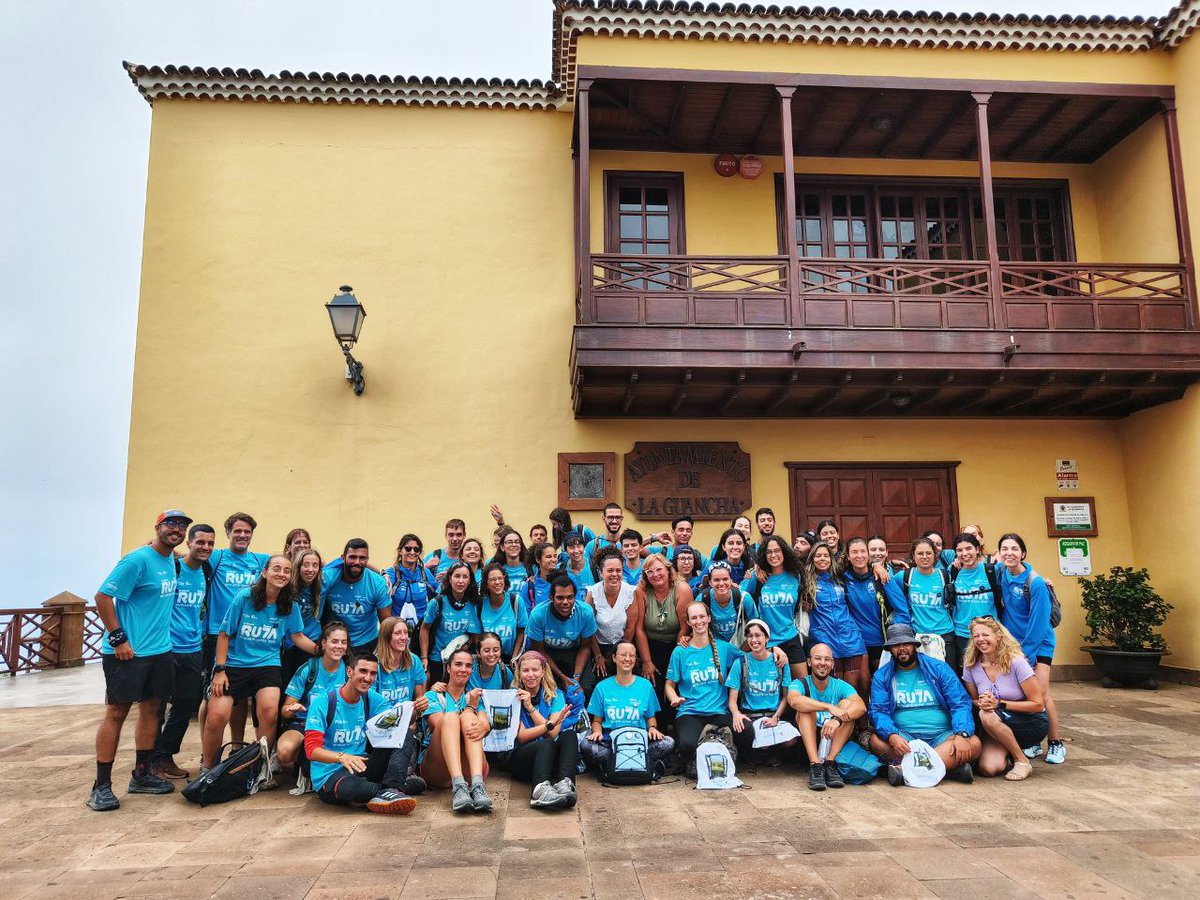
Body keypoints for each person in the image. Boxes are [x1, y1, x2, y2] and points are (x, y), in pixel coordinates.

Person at [88, 509, 189, 811]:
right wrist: (118, 638)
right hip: (127, 653)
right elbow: (103, 596)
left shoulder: (171, 560)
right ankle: (101, 785)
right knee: (116, 712)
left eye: (182, 526)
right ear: (158, 526)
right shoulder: (136, 560)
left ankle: (141, 775)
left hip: (159, 650)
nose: (176, 529)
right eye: (171, 524)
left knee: (152, 710)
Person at [202, 554, 318, 772]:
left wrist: (321, 650)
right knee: (217, 716)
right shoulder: (244, 597)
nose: (281, 574)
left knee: (269, 711)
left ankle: (261, 768)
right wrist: (220, 670)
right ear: (265, 572)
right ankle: (208, 770)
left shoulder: (288, 605)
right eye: (276, 568)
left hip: (267, 664)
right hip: (234, 665)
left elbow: (297, 636)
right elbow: (225, 634)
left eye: (286, 571)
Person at [305, 652, 420, 814]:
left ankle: (393, 789)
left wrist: (416, 710)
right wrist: (341, 757)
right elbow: (311, 751)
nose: (368, 678)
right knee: (357, 789)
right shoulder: (323, 702)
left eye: (373, 673)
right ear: (349, 672)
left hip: (362, 766)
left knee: (404, 734)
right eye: (363, 671)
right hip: (331, 775)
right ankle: (391, 790)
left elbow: (397, 724)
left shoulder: (371, 698)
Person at [868, 623, 980, 785]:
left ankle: (906, 771)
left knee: (973, 743)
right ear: (890, 650)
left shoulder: (938, 668)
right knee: (875, 741)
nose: (901, 649)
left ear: (914, 645)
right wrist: (892, 735)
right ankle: (948, 769)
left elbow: (960, 703)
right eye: (896, 645)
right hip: (905, 740)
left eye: (906, 644)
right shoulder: (882, 676)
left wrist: (962, 734)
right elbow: (878, 711)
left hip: (942, 738)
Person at [152, 522, 215, 779]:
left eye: (210, 543)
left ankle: (165, 756)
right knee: (155, 707)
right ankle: (148, 761)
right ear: (188, 543)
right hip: (166, 647)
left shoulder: (207, 571)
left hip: (193, 646)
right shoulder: (173, 567)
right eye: (200, 542)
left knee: (186, 703)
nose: (205, 547)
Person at [996, 533, 1066, 766]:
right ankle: (1033, 739)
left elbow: (1038, 623)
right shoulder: (1000, 573)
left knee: (1040, 693)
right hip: (1013, 645)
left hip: (1038, 645)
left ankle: (1055, 742)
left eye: (1014, 549)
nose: (1009, 553)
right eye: (1004, 549)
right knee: (1022, 694)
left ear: (1023, 553)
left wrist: (1027, 654)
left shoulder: (1035, 583)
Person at [202, 513, 270, 738]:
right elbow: (189, 554)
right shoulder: (217, 557)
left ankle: (236, 744)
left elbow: (300, 557)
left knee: (237, 695)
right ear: (228, 533)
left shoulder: (260, 561)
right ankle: (207, 750)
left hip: (248, 637)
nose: (242, 535)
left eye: (247, 532)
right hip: (217, 634)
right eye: (237, 531)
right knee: (211, 696)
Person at [962, 617, 1047, 781]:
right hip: (995, 725)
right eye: (976, 636)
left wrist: (999, 704)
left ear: (999, 636)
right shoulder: (971, 665)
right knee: (988, 769)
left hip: (1029, 722)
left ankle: (1021, 761)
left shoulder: (1016, 662)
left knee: (986, 715)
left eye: (985, 635)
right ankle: (1008, 749)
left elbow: (1037, 704)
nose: (980, 640)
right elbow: (972, 700)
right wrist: (981, 702)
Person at [667, 601, 739, 774]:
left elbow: (750, 657)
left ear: (708, 618)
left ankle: (721, 754)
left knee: (746, 733)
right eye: (694, 618)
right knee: (687, 744)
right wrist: (674, 698)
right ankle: (694, 758)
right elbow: (669, 685)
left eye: (702, 616)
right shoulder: (680, 651)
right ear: (689, 622)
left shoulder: (724, 648)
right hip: (690, 712)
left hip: (718, 712)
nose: (699, 621)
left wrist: (774, 650)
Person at [788, 643, 872, 791]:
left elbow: (861, 706)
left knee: (847, 705)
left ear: (832, 664)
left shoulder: (840, 685)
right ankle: (815, 765)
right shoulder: (800, 683)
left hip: (834, 740)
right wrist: (829, 707)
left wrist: (837, 720)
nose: (822, 663)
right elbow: (794, 700)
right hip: (810, 741)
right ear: (809, 662)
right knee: (806, 709)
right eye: (818, 659)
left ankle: (829, 764)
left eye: (827, 659)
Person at [583, 641, 675, 776]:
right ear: (614, 658)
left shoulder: (645, 685)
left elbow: (650, 717)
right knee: (586, 745)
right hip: (611, 741)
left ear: (635, 659)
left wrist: (653, 729)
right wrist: (597, 732)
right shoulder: (602, 687)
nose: (627, 659)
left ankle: (617, 764)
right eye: (623, 655)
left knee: (668, 742)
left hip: (639, 741)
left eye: (631, 655)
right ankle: (639, 762)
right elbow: (597, 720)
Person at [419, 646, 493, 813]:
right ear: (448, 667)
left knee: (468, 717)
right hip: (437, 767)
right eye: (458, 664)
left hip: (470, 766)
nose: (463, 669)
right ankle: (458, 786)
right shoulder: (433, 696)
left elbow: (484, 725)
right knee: (452, 717)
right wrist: (469, 709)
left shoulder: (474, 697)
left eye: (468, 666)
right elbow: (439, 725)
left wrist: (483, 723)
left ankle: (477, 785)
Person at [629, 553, 691, 732]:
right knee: (653, 683)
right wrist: (647, 661)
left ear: (668, 569)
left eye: (659, 570)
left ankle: (678, 728)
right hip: (650, 643)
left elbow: (684, 627)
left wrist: (676, 657)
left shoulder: (682, 589)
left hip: (676, 642)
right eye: (650, 572)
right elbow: (639, 628)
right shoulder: (641, 590)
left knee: (675, 684)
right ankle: (656, 730)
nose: (655, 574)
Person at [276, 622, 350, 775]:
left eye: (343, 642)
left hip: (338, 728)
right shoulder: (308, 669)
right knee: (285, 752)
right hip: (305, 724)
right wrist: (293, 709)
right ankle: (305, 758)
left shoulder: (350, 671)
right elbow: (285, 711)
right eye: (334, 641)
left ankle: (312, 764)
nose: (339, 646)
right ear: (323, 643)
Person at [509, 651, 578, 809]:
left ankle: (564, 784)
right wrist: (545, 722)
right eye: (525, 670)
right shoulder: (512, 697)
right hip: (521, 759)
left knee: (569, 735)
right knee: (546, 743)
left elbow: (553, 733)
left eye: (535, 670)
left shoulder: (555, 696)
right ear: (519, 673)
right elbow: (522, 736)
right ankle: (538, 791)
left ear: (542, 672)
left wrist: (532, 709)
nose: (530, 675)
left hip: (549, 757)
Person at [726, 619, 794, 764]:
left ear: (767, 638)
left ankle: (772, 751)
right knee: (743, 730)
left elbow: (785, 697)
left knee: (792, 740)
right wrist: (736, 713)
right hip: (750, 716)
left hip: (773, 715)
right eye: (750, 636)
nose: (754, 640)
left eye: (758, 635)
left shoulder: (780, 663)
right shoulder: (741, 663)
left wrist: (776, 717)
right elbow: (732, 700)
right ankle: (752, 751)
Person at [803, 543, 868, 692]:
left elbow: (863, 567)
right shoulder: (805, 581)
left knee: (857, 686)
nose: (822, 559)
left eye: (826, 555)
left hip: (850, 636)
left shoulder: (840, 577)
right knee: (834, 686)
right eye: (818, 556)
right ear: (812, 558)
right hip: (824, 637)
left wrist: (880, 566)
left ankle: (859, 715)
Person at [842, 537, 905, 689]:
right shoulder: (842, 578)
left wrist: (895, 637)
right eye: (854, 552)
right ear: (848, 556)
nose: (859, 556)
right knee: (861, 688)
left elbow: (902, 611)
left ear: (868, 554)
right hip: (855, 644)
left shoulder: (882, 577)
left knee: (883, 686)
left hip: (881, 644)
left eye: (863, 551)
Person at [882, 538, 954, 666]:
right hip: (917, 636)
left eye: (929, 553)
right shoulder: (904, 576)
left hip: (944, 635)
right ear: (913, 556)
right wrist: (876, 565)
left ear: (934, 554)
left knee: (947, 677)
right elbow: (887, 583)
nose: (925, 557)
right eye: (920, 553)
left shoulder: (945, 575)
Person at [745, 535, 807, 678]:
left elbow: (799, 603)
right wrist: (755, 569)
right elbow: (744, 600)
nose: (773, 555)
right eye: (769, 552)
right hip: (765, 641)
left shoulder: (796, 576)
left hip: (790, 637)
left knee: (802, 686)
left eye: (777, 551)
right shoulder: (758, 577)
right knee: (772, 689)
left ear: (784, 552)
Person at [526, 574, 598, 694]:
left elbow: (585, 647)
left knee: (585, 687)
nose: (566, 602)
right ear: (551, 597)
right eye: (560, 598)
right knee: (547, 688)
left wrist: (576, 678)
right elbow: (538, 649)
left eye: (570, 597)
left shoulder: (585, 612)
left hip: (574, 651)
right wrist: (561, 676)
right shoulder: (538, 614)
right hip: (546, 652)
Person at [322, 539, 390, 658]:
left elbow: (386, 624)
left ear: (367, 560)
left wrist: (382, 651)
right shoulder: (330, 578)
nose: (357, 562)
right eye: (352, 557)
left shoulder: (378, 583)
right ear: (343, 558)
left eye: (362, 558)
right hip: (335, 643)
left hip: (367, 643)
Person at [420, 562, 483, 684]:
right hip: (438, 660)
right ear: (449, 579)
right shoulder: (437, 602)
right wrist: (424, 657)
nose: (461, 581)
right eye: (457, 576)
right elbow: (425, 629)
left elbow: (475, 635)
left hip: (462, 661)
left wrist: (468, 644)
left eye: (465, 577)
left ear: (470, 580)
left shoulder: (474, 604)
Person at [949, 533, 1001, 666]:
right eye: (959, 550)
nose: (964, 553)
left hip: (990, 632)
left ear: (977, 549)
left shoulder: (991, 571)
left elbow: (1016, 574)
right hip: (962, 634)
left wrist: (1042, 580)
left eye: (968, 548)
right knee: (968, 675)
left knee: (992, 671)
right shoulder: (952, 571)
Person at [281, 548, 325, 693]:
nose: (310, 569)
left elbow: (342, 561)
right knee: (285, 687)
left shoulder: (323, 584)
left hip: (312, 643)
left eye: (315, 565)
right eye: (306, 565)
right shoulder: (286, 588)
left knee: (306, 688)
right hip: (289, 645)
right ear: (298, 566)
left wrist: (382, 573)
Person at [584, 552, 636, 675]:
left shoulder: (630, 592)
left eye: (618, 570)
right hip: (598, 647)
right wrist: (598, 656)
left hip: (624, 645)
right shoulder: (593, 593)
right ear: (601, 573)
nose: (614, 574)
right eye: (610, 570)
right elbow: (588, 627)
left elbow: (631, 627)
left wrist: (622, 654)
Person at [382, 534, 438, 628]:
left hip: (421, 630)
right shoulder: (391, 574)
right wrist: (382, 573)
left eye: (416, 549)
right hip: (397, 631)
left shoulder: (425, 573)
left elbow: (438, 594)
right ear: (400, 551)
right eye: (408, 549)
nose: (412, 552)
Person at [374, 617, 428, 708]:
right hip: (380, 717)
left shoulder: (414, 661)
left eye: (405, 632)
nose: (404, 638)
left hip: (407, 717)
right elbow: (371, 704)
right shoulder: (374, 664)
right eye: (398, 633)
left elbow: (419, 699)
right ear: (386, 637)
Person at [697, 561, 755, 646]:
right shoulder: (703, 599)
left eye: (725, 579)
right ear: (710, 582)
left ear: (731, 580)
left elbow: (755, 625)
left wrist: (744, 649)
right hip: (713, 647)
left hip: (740, 645)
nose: (721, 583)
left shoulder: (744, 598)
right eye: (716, 580)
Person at [479, 563, 526, 659]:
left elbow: (522, 631)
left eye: (500, 578)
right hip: (487, 658)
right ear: (486, 584)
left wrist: (515, 656)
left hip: (510, 657)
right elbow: (476, 635)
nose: (497, 582)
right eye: (492, 579)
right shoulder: (480, 604)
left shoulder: (516, 601)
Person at [489, 527, 531, 604]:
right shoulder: (496, 569)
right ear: (502, 547)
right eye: (509, 542)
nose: (514, 544)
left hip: (526, 613)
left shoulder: (531, 568)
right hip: (504, 613)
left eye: (517, 542)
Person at [521, 541, 560, 613]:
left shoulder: (568, 580)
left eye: (555, 556)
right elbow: (526, 615)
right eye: (548, 556)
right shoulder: (530, 586)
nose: (553, 560)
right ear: (538, 560)